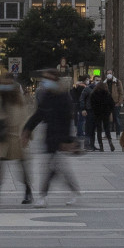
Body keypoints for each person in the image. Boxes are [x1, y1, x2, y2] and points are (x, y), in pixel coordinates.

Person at [24, 69, 80, 205]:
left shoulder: (64, 96)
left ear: (55, 79)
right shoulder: (47, 95)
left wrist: (67, 140)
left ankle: (43, 196)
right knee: (56, 167)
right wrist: (27, 129)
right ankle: (73, 190)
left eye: (48, 78)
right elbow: (39, 114)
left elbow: (68, 120)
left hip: (60, 136)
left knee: (51, 167)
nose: (45, 81)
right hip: (50, 135)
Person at [0, 77, 33, 206]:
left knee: (22, 167)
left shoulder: (19, 101)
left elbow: (25, 118)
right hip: (3, 139)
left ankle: (28, 190)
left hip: (16, 138)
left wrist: (26, 135)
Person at [88, 79, 116, 151]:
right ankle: (110, 143)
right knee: (107, 129)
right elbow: (112, 104)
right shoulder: (107, 94)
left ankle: (101, 146)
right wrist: (109, 111)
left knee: (99, 130)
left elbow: (92, 105)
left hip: (97, 114)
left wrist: (95, 111)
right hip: (106, 114)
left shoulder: (93, 94)